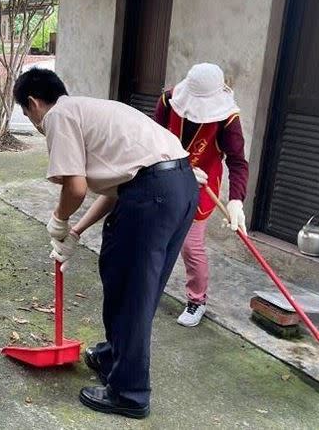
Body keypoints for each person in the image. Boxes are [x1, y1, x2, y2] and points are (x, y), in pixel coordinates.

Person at [13, 68, 200, 419]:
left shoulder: (58, 115)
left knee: (130, 289)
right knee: (133, 282)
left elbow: (76, 188)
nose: (34, 123)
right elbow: (116, 190)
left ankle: (129, 392)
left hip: (153, 194)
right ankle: (115, 357)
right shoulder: (91, 111)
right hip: (179, 188)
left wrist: (59, 219)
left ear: (35, 103)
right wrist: (76, 233)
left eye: (28, 114)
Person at [153, 63, 249, 327]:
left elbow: (238, 161)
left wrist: (236, 201)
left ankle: (197, 300)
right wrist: (181, 167)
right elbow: (152, 140)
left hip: (204, 185)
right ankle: (149, 288)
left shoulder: (228, 118)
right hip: (166, 177)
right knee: (157, 234)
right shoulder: (168, 100)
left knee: (190, 245)